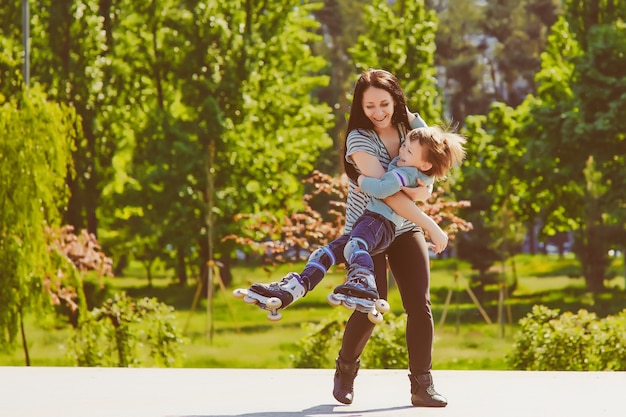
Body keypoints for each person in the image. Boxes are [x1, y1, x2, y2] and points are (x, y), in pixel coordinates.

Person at [249, 69, 451, 407]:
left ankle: (422, 385)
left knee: (420, 305)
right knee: (368, 303)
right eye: (369, 105)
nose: (378, 112)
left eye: (384, 103)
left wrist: (425, 191)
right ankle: (345, 371)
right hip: (368, 231)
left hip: (404, 229)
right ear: (360, 105)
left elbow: (432, 169)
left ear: (396, 101)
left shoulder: (409, 129)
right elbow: (389, 194)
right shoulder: (359, 139)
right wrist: (431, 223)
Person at [248, 126, 465, 310]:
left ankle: (364, 282)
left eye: (408, 150)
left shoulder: (404, 173)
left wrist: (361, 180)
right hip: (372, 222)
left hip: (379, 223)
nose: (401, 150)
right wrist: (411, 116)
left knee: (355, 247)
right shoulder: (420, 167)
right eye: (404, 145)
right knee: (326, 253)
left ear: (424, 164)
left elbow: (382, 189)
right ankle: (295, 287)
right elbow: (423, 134)